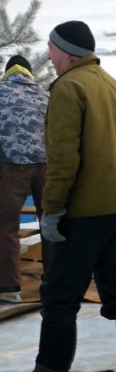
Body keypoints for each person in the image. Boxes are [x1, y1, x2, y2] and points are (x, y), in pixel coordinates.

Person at [1, 21, 116, 372]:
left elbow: (63, 159)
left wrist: (52, 211)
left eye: (52, 48)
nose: (49, 56)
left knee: (58, 297)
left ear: (67, 52)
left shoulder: (69, 88)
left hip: (83, 212)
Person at [0, 55, 48, 304]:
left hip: (12, 165)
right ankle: (57, 281)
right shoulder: (45, 95)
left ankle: (9, 288)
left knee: (6, 226)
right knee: (51, 223)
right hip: (47, 166)